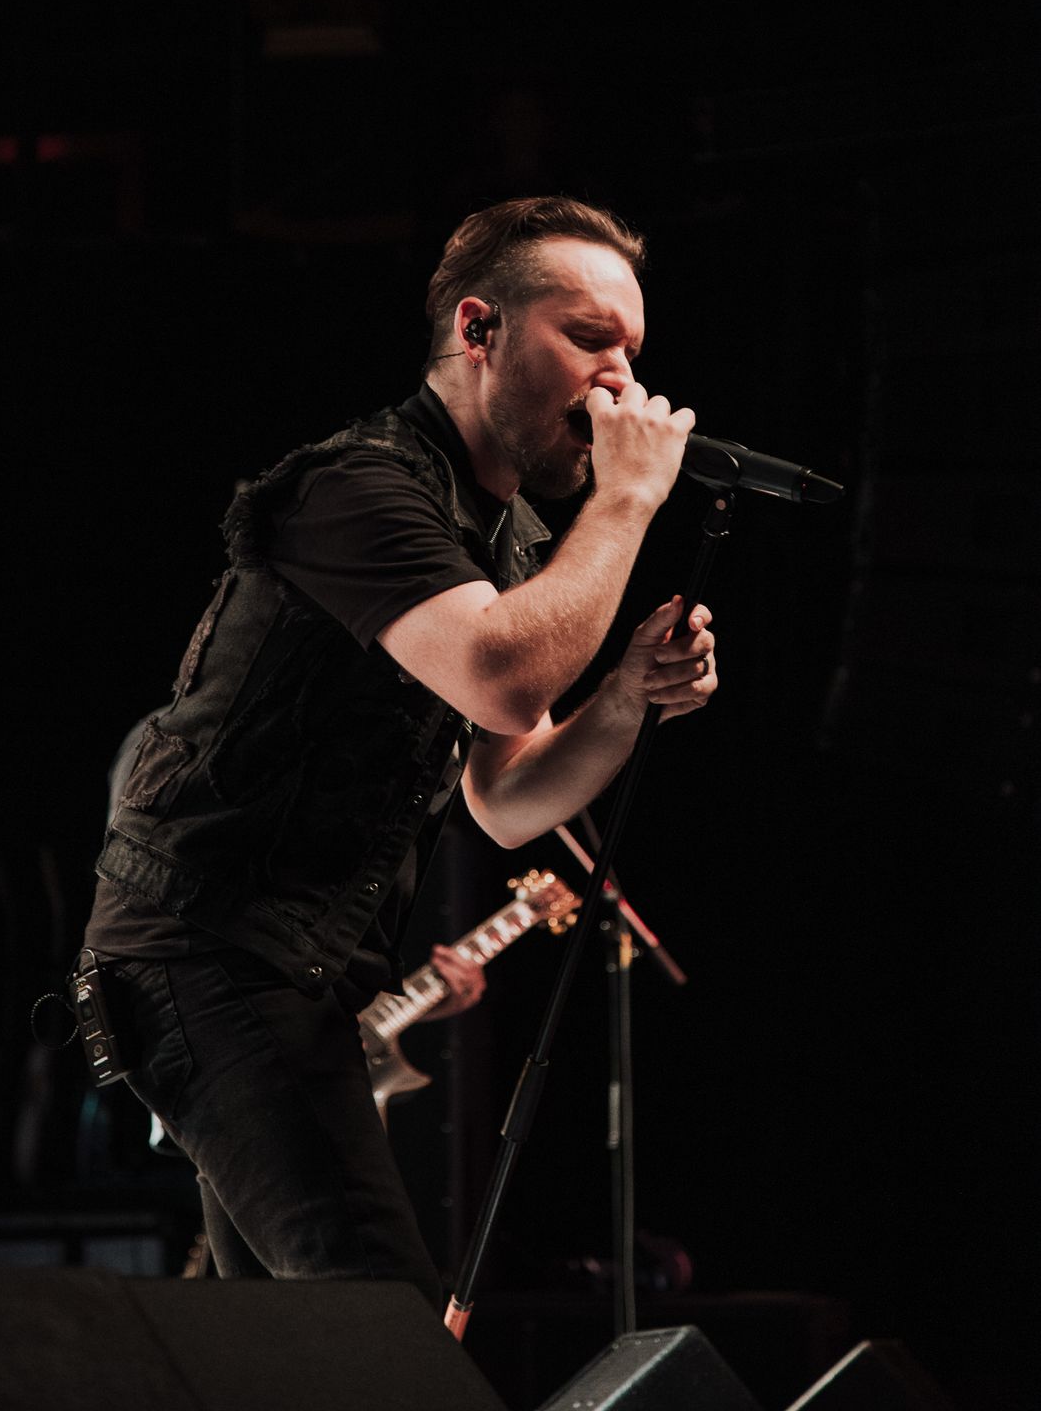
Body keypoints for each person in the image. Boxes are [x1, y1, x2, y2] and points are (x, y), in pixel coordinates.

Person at [80, 195, 718, 1306]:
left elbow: (506, 798)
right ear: (479, 329)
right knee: (380, 1325)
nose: (620, 381)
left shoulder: (502, 538)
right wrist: (626, 502)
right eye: (588, 338)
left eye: (631, 350)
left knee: (294, 1354)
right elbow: (502, 674)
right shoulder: (359, 487)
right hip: (211, 952)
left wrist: (624, 699)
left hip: (291, 976)